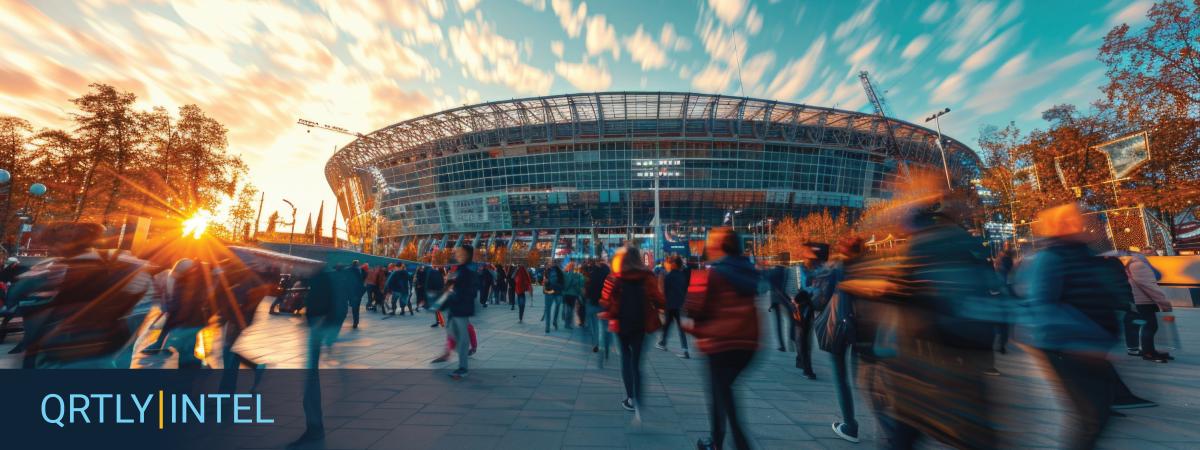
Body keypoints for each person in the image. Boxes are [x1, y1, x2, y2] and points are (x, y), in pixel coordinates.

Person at [1024, 203, 1123, 449]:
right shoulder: (1050, 256)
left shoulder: (1082, 253)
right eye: (1069, 220)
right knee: (1091, 416)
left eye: (1077, 218)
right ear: (1057, 225)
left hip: (1091, 346)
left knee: (1099, 413)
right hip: (1067, 348)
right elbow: (1042, 304)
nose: (1078, 223)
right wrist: (1083, 342)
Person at [686, 228, 760, 450]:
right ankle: (722, 441)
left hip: (719, 342)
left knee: (721, 393)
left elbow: (693, 308)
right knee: (724, 391)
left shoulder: (710, 273)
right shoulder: (749, 270)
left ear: (718, 247)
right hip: (748, 343)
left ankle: (732, 443)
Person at [599, 246, 664, 419]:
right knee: (637, 362)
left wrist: (609, 309)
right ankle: (640, 402)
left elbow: (606, 300)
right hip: (641, 325)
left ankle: (630, 398)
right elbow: (659, 300)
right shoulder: (648, 276)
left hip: (621, 324)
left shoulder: (615, 277)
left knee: (625, 359)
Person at [824, 236, 865, 443]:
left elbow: (824, 295)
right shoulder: (869, 266)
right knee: (869, 382)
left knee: (841, 377)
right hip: (865, 329)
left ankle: (850, 425)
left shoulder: (839, 267)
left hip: (841, 326)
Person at [1123, 248, 1173, 362]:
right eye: (1153, 254)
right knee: (1150, 327)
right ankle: (1148, 353)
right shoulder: (1139, 265)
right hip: (1143, 301)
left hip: (1141, 300)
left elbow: (1157, 276)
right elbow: (1149, 286)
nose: (1155, 256)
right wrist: (1163, 301)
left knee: (1150, 326)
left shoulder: (1136, 264)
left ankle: (1150, 350)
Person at [439, 244, 479, 379]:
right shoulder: (460, 270)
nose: (457, 254)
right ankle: (463, 353)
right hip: (455, 308)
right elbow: (452, 286)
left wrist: (454, 295)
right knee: (451, 332)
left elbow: (470, 291)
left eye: (460, 253)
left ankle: (463, 367)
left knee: (462, 338)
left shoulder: (469, 271)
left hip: (462, 309)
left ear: (467, 255)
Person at [657, 255, 690, 358]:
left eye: (672, 263)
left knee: (667, 324)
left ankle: (663, 342)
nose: (670, 265)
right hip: (680, 305)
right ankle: (685, 350)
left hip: (670, 305)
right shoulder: (683, 276)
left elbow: (665, 292)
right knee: (681, 328)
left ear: (675, 265)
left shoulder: (669, 276)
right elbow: (685, 290)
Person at [765, 253, 794, 352]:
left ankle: (782, 345)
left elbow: (767, 278)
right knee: (792, 319)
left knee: (778, 322)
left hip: (775, 298)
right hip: (786, 297)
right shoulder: (787, 270)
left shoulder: (774, 270)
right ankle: (792, 339)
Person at [584, 259, 612, 355]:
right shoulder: (609, 276)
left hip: (593, 302)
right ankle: (607, 345)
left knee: (594, 325)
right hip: (605, 304)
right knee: (606, 326)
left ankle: (596, 343)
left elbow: (589, 288)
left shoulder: (593, 274)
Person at [543, 260, 565, 332]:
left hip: (549, 292)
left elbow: (545, 282)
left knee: (548, 309)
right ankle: (555, 321)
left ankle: (547, 327)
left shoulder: (547, 271)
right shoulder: (561, 272)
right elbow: (563, 283)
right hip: (558, 293)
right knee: (557, 307)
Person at [563, 262, 584, 329]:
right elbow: (579, 286)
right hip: (573, 295)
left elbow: (564, 285)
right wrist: (579, 292)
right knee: (571, 310)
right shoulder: (578, 276)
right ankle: (569, 324)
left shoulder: (566, 275)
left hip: (567, 294)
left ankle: (567, 324)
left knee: (568, 309)